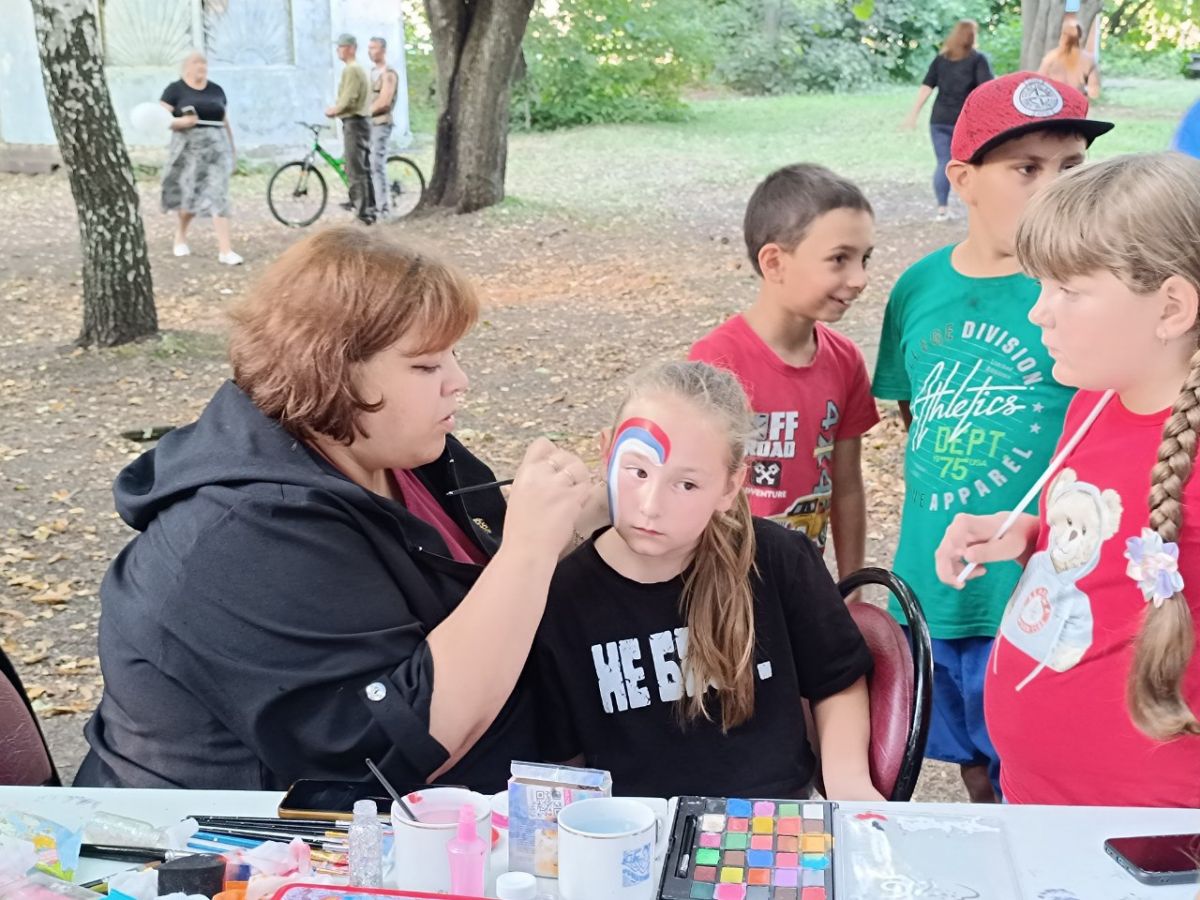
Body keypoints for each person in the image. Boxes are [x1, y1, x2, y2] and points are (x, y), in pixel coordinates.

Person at [75, 227, 607, 792]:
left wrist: (586, 527)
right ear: (329, 370)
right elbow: (386, 750)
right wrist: (528, 551)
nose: (460, 382)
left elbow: (488, 602)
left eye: (453, 354)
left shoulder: (399, 452)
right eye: (426, 366)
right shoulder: (246, 534)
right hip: (227, 854)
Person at [872, 72, 1113, 803]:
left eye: (1070, 168)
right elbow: (915, 411)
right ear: (963, 178)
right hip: (935, 581)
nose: (1053, 188)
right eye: (1026, 169)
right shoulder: (918, 288)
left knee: (1034, 764)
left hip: (1042, 585)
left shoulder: (1090, 297)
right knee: (967, 758)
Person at [936, 153, 1200, 807]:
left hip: (1148, 825)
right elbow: (1118, 539)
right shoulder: (1095, 398)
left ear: (1170, 306)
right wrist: (1030, 534)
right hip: (1038, 793)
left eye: (1068, 290)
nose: (1039, 313)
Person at [534, 361, 879, 800]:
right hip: (637, 833)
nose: (650, 505)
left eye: (687, 485)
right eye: (637, 472)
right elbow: (563, 760)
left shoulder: (777, 560)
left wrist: (848, 780)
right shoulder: (561, 597)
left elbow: (837, 680)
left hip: (775, 823)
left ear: (731, 486)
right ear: (606, 453)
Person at [689, 164, 879, 581]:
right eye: (839, 259)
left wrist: (852, 586)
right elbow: (690, 485)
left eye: (864, 258)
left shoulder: (845, 360)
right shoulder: (716, 361)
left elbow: (846, 487)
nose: (860, 278)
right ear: (775, 262)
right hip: (724, 586)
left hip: (804, 585)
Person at [902, 20, 994, 222]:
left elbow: (926, 86)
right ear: (972, 37)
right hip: (966, 121)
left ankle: (942, 208)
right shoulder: (978, 60)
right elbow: (985, 90)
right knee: (974, 163)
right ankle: (977, 205)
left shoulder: (941, 60)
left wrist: (913, 114)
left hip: (940, 119)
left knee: (944, 162)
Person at [159, 51, 242, 265]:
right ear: (187, 67)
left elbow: (225, 121)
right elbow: (160, 118)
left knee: (218, 196)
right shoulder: (175, 90)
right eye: (197, 63)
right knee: (189, 197)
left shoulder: (216, 90)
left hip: (216, 150)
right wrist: (180, 122)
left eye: (204, 64)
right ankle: (180, 235)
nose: (201, 67)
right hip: (188, 150)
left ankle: (225, 250)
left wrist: (232, 151)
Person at [326, 34, 375, 225]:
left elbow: (350, 97)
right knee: (361, 167)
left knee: (355, 169)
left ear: (352, 48)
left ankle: (363, 213)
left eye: (342, 46)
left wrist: (335, 110)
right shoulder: (355, 69)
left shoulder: (352, 70)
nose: (339, 49)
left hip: (355, 122)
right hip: (359, 122)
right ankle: (369, 208)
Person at [367, 36, 400, 219]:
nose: (371, 51)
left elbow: (385, 102)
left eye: (374, 48)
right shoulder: (371, 72)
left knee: (376, 165)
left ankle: (384, 208)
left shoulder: (389, 74)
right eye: (369, 48)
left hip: (380, 123)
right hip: (368, 125)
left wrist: (366, 112)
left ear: (383, 50)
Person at [1038, 14, 1101, 100]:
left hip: (1054, 103)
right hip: (1076, 104)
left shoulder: (1050, 57)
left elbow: (1039, 82)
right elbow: (1094, 92)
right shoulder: (1089, 60)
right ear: (1080, 37)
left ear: (1062, 36)